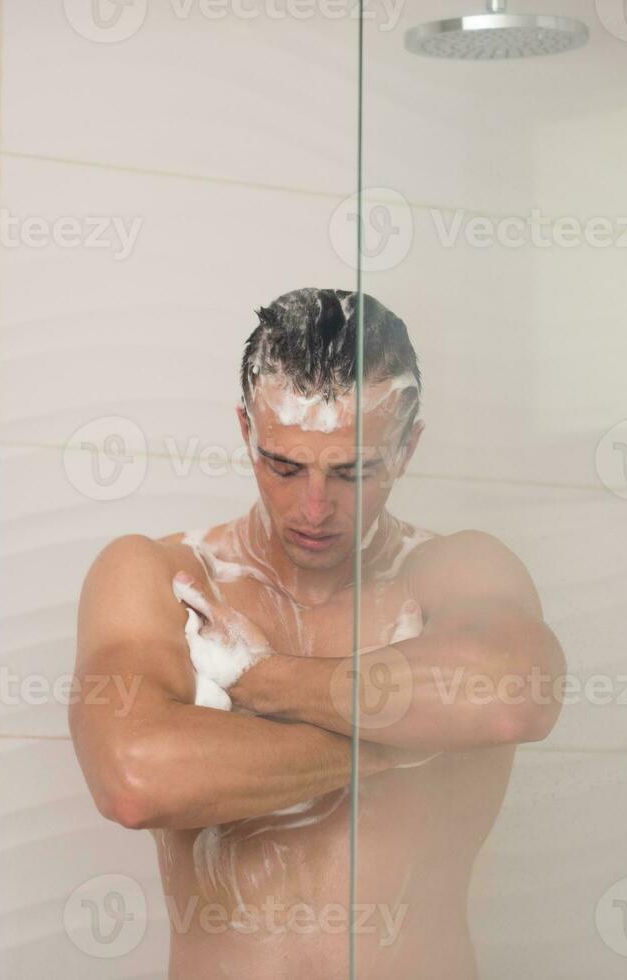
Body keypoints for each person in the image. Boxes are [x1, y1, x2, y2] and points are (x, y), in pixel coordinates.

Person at [70, 287, 566, 978]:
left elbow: (515, 696)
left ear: (407, 447)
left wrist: (258, 679)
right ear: (245, 430)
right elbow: (135, 777)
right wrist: (399, 734)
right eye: (284, 465)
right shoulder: (166, 577)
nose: (313, 507)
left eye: (352, 471)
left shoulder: (454, 569)